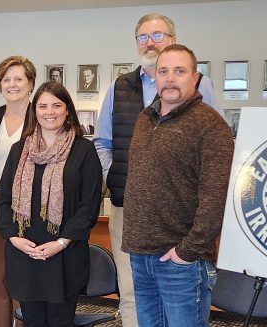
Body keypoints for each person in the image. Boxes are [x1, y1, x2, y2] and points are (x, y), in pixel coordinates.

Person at [90, 13, 219, 327]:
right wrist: (120, 178)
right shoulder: (120, 88)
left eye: (157, 35)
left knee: (181, 298)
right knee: (134, 292)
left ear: (173, 40)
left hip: (180, 217)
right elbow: (102, 141)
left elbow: (212, 158)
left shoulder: (203, 91)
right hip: (131, 213)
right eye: (143, 37)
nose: (149, 42)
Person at [124, 44, 232, 327]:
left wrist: (187, 252)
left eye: (179, 71)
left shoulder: (210, 125)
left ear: (195, 78)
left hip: (181, 261)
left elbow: (216, 199)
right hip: (141, 253)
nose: (170, 78)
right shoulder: (145, 119)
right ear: (155, 77)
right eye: (163, 71)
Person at [0, 81, 102, 327]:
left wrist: (61, 242)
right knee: (31, 321)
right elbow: (3, 201)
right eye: (43, 106)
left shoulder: (84, 150)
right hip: (25, 254)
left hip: (64, 256)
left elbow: (89, 206)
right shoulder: (19, 150)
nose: (49, 111)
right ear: (35, 111)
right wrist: (14, 238)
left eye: (56, 105)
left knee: (60, 321)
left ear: (67, 110)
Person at [0, 55, 36, 327]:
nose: (12, 84)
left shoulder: (41, 115)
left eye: (18, 78)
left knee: (26, 278)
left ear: (30, 83)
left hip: (33, 206)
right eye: (6, 79)